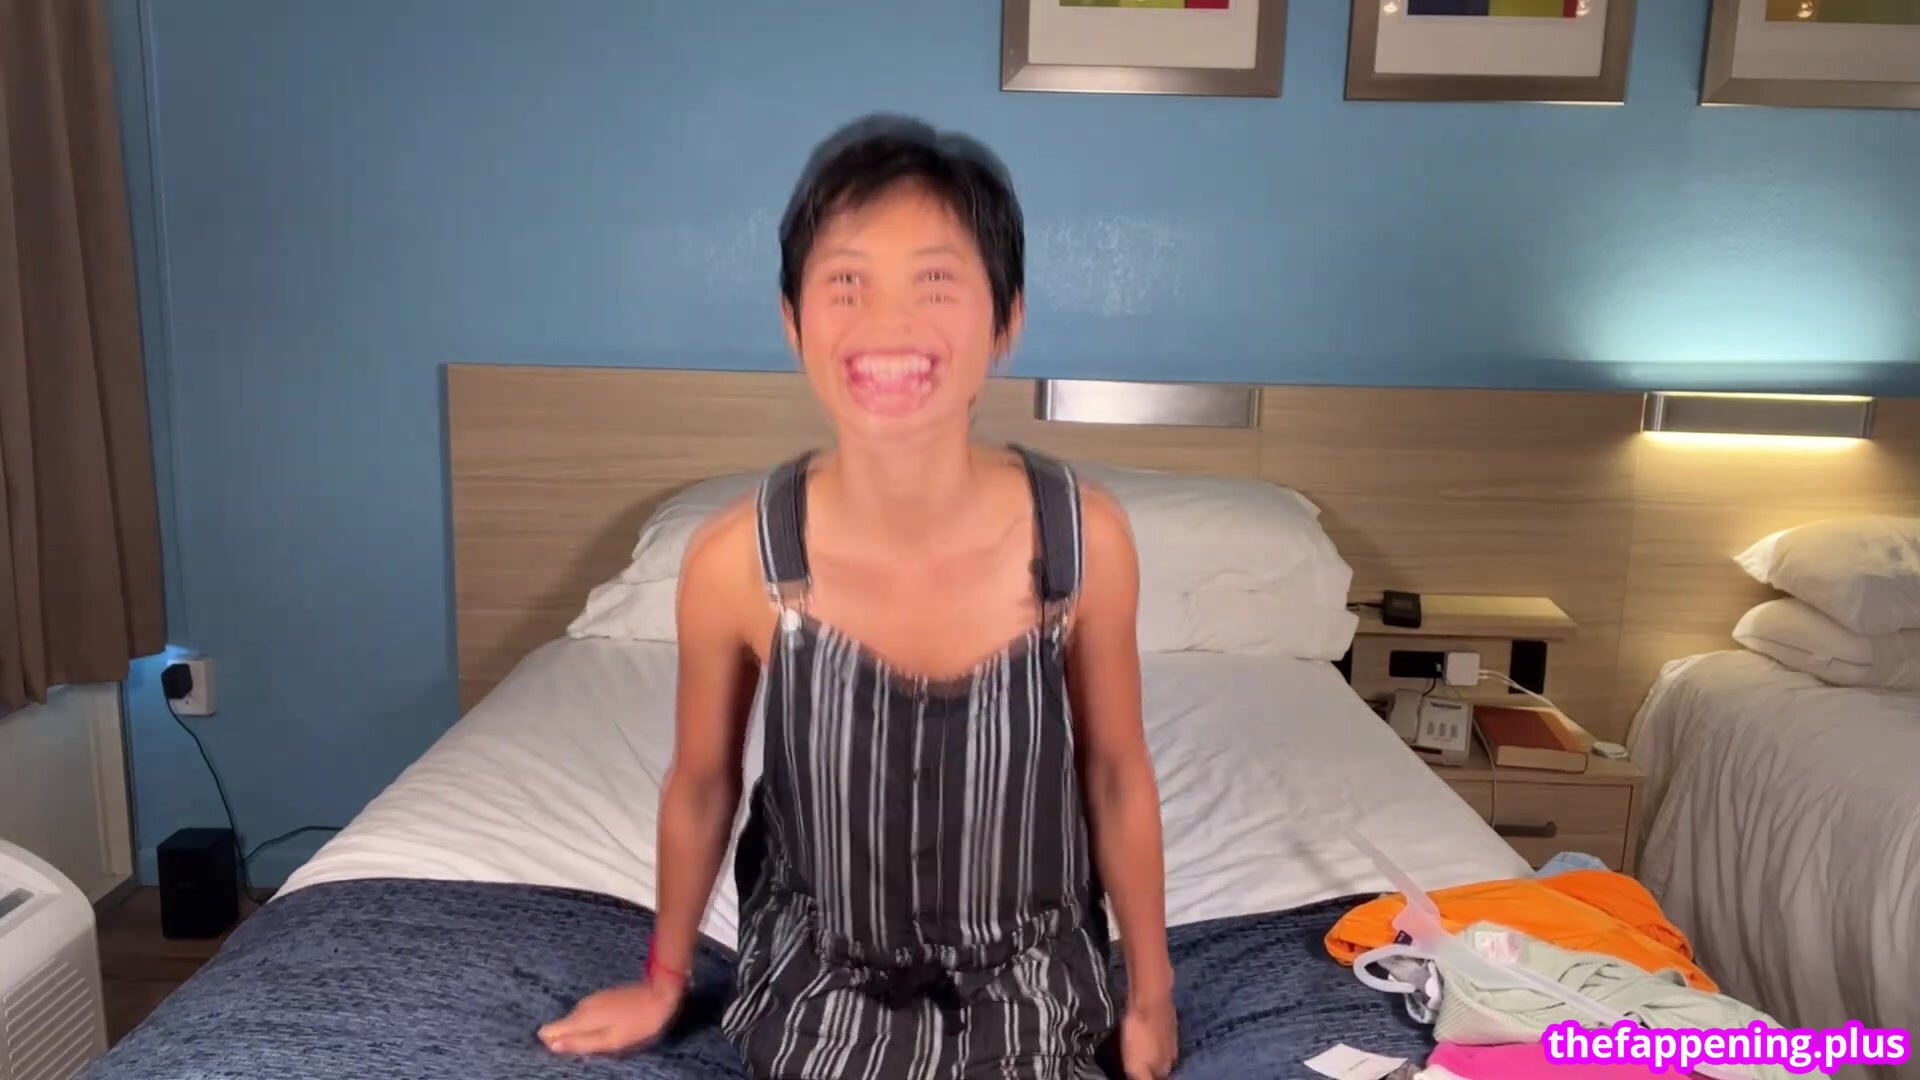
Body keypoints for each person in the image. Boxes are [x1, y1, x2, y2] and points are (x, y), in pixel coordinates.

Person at [538, 115, 1177, 1080]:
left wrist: (1152, 997)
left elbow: (1117, 773)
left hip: (1036, 990)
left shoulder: (1087, 542)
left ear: (1006, 319)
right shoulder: (733, 561)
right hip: (819, 995)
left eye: (935, 282)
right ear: (792, 320)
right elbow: (703, 783)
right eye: (846, 283)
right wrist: (663, 982)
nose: (888, 321)